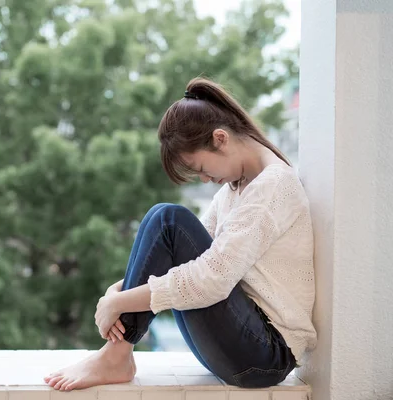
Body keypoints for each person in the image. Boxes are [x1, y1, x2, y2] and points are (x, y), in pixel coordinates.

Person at [44, 77, 317, 391]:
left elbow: (210, 279)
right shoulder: (236, 189)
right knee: (164, 219)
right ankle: (117, 355)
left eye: (200, 167)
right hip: (241, 344)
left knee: (169, 219)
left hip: (265, 354)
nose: (204, 179)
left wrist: (119, 303)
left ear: (220, 139)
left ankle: (116, 356)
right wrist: (116, 293)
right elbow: (182, 257)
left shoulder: (274, 186)